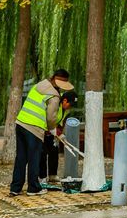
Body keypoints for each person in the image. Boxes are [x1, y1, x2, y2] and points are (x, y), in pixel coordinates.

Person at [9, 68, 74, 196]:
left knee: (21, 157)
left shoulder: (39, 85)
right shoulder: (54, 96)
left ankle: (15, 188)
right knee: (34, 158)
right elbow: (50, 118)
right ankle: (33, 188)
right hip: (34, 128)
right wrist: (53, 129)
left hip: (21, 123)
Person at [39, 90, 77, 186]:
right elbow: (48, 119)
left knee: (54, 151)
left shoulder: (66, 109)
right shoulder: (55, 103)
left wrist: (60, 133)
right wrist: (57, 132)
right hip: (42, 130)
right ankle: (42, 177)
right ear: (64, 100)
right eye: (70, 104)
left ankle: (52, 175)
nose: (70, 107)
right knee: (42, 154)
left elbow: (61, 122)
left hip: (53, 131)